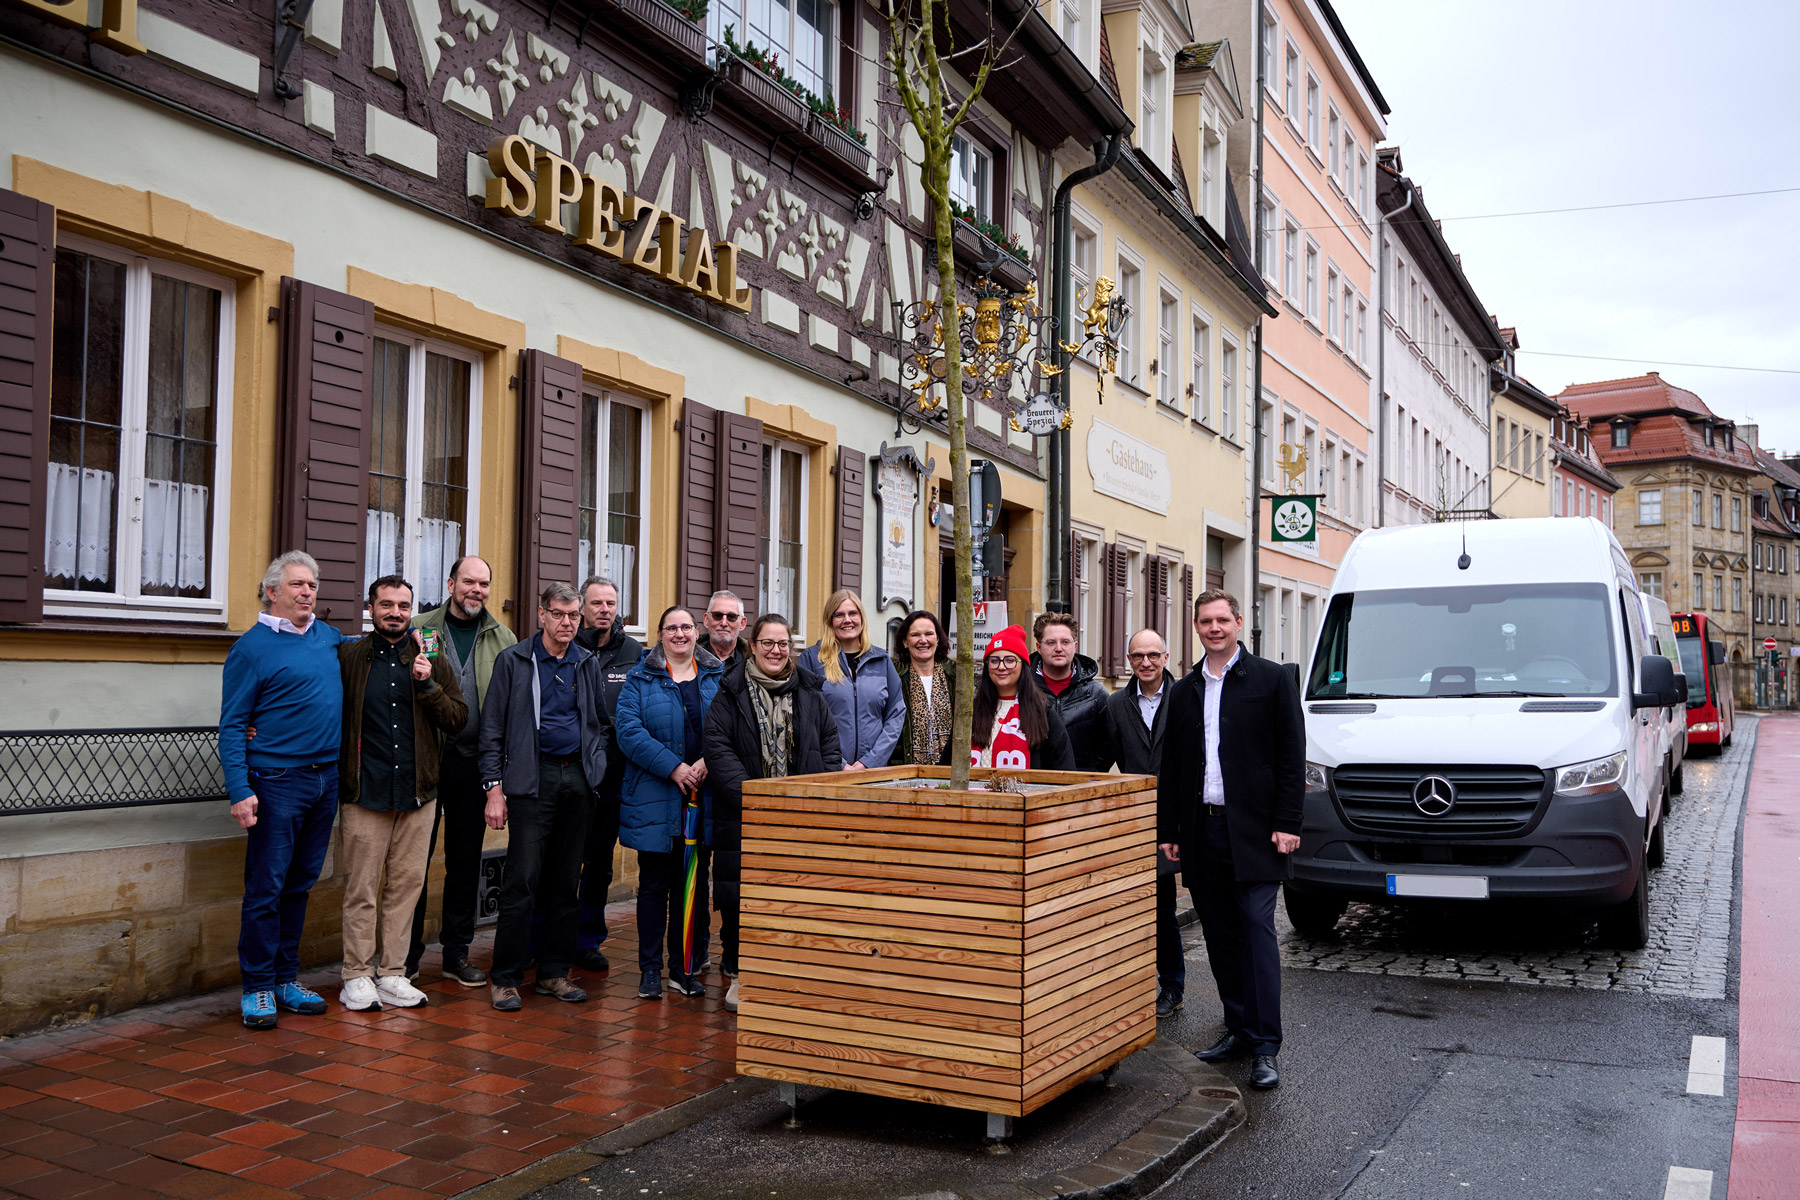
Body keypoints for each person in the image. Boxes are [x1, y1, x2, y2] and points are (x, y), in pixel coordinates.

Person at [1156, 590, 1305, 1091]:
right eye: (1206, 621)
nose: (1214, 628)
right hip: (1203, 830)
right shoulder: (1186, 689)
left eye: (1223, 619)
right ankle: (1238, 1027)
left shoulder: (1271, 679)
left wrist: (1289, 822)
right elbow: (1173, 767)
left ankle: (1265, 1045)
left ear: (1239, 622)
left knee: (1258, 933)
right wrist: (1170, 831)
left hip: (1259, 832)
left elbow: (1291, 757)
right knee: (1220, 935)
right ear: (1196, 627)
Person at [219, 551, 347, 1030]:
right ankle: (256, 987)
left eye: (312, 584)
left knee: (299, 884)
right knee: (266, 887)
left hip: (325, 778)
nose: (307, 592)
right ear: (272, 591)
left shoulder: (328, 639)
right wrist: (239, 789)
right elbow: (232, 724)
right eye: (297, 584)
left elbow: (370, 651)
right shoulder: (251, 649)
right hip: (275, 782)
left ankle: (284, 979)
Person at [336, 576, 467, 1012]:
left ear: (412, 609)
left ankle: (393, 973)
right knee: (362, 890)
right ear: (370, 608)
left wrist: (428, 685)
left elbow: (457, 719)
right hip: (365, 793)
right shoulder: (349, 656)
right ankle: (356, 974)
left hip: (418, 795)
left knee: (406, 889)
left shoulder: (432, 657)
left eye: (403, 605)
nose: (395, 612)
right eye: (386, 604)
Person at [477, 583, 609, 1012]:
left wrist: (596, 766)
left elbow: (599, 724)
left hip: (578, 781)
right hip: (531, 783)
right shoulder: (514, 660)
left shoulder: (585, 662)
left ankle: (554, 972)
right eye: (559, 614)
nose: (567, 622)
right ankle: (506, 978)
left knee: (566, 883)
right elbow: (492, 730)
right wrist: (493, 789)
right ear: (541, 615)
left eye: (574, 616)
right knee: (522, 881)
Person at [705, 614, 842, 1010]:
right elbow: (717, 748)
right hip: (746, 815)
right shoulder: (730, 692)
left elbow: (829, 746)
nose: (776, 651)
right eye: (768, 643)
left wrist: (818, 793)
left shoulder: (810, 692)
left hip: (801, 818)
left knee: (794, 896)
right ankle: (737, 973)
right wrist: (755, 799)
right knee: (740, 898)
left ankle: (788, 972)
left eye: (783, 644)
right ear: (753, 646)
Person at [409, 555, 516, 986]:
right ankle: (407, 956)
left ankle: (455, 952)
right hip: (426, 763)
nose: (477, 590)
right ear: (451, 583)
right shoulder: (421, 628)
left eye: (484, 583)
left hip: (475, 765)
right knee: (412, 862)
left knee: (465, 863)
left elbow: (512, 705)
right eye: (469, 581)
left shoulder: (502, 636)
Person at [617, 606, 723, 1000]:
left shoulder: (717, 677)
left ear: (697, 633)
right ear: (660, 635)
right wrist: (675, 768)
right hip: (655, 799)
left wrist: (706, 762)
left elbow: (731, 727)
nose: (679, 634)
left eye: (686, 627)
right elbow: (628, 731)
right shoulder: (639, 678)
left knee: (691, 886)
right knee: (653, 887)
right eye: (671, 628)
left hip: (703, 798)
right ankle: (649, 971)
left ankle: (683, 968)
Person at [1103, 629, 1184, 1018]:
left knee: (1192, 906)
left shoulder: (1186, 696)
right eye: (1138, 656)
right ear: (1129, 660)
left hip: (1184, 813)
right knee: (1152, 904)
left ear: (1166, 658)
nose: (1146, 662)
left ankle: (1184, 986)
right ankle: (1166, 985)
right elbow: (1111, 754)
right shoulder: (1116, 704)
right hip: (1139, 819)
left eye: (1153, 655)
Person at [571, 575, 644, 972]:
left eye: (610, 604)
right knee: (561, 861)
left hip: (613, 777)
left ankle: (587, 939)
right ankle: (550, 936)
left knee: (598, 863)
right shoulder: (566, 645)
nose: (604, 610)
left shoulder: (634, 652)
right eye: (596, 603)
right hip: (570, 774)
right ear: (582, 607)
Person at [798, 590, 906, 771]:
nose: (847, 620)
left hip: (873, 772)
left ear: (861, 618)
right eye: (839, 615)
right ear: (830, 621)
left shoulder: (881, 660)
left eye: (852, 613)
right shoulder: (811, 660)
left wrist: (871, 761)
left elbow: (895, 715)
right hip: (827, 770)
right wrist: (839, 763)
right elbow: (804, 718)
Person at [970, 625, 1076, 770]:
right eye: (994, 660)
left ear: (1023, 666)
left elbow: (1063, 769)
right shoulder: (972, 711)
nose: (1001, 667)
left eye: (1010, 660)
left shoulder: (1043, 712)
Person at [1030, 613, 1111, 771]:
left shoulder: (1095, 694)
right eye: (1051, 642)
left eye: (1065, 642)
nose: (1058, 648)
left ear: (1075, 646)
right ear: (1038, 647)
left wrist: (1090, 775)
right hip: (1035, 785)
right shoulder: (1024, 690)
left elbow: (1109, 745)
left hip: (1082, 787)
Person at [890, 609, 954, 766]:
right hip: (906, 769)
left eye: (929, 634)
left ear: (938, 639)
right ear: (905, 641)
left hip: (950, 770)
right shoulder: (893, 676)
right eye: (915, 635)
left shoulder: (954, 675)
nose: (923, 640)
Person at [702, 590, 749, 670]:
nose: (724, 623)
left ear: (742, 623)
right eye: (717, 615)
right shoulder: (688, 657)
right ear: (706, 620)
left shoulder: (754, 661)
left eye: (731, 617)